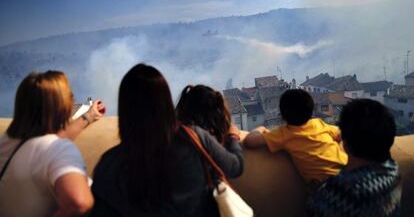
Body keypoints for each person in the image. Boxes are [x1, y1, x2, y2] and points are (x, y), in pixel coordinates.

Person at [90, 64, 243, 217]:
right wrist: (233, 138)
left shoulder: (109, 166)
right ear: (166, 103)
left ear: (124, 110)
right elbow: (235, 167)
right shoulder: (192, 138)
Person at [0, 70, 105, 217]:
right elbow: (79, 204)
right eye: (70, 96)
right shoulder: (58, 149)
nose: (72, 101)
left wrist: (88, 116)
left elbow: (49, 140)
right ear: (60, 105)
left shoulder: (6, 142)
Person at [307, 99, 402, 217]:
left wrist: (318, 194)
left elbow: (315, 210)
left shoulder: (346, 191)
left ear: (345, 143)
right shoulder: (393, 169)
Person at [243, 89, 348, 184]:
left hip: (324, 187)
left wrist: (261, 128)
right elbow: (343, 134)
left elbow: (250, 141)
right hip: (347, 172)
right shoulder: (319, 124)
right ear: (311, 111)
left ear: (283, 116)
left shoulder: (284, 134)